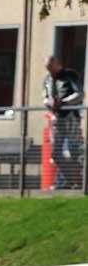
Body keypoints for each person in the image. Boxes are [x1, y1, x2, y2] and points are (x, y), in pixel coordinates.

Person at [43, 55, 84, 189]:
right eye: (47, 69)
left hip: (71, 116)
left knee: (74, 151)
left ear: (56, 63)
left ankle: (80, 181)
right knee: (55, 153)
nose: (50, 72)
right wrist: (49, 103)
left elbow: (80, 94)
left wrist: (63, 102)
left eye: (51, 68)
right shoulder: (48, 79)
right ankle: (70, 180)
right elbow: (45, 97)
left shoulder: (69, 75)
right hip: (56, 118)